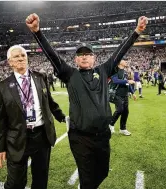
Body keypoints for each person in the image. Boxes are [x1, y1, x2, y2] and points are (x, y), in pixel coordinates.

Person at [26, 13, 148, 189]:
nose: (84, 56)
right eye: (80, 54)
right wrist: (37, 32)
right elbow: (52, 56)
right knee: (87, 177)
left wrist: (137, 31)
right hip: (80, 137)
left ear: (94, 58)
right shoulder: (70, 74)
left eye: (88, 54)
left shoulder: (104, 70)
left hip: (102, 135)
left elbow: (120, 52)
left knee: (102, 171)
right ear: (75, 59)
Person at [0, 45, 66, 189]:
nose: (20, 58)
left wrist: (63, 118)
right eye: (16, 56)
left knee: (41, 179)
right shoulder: (2, 87)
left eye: (23, 55)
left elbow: (49, 103)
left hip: (41, 136)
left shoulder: (40, 77)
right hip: (17, 138)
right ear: (10, 62)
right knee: (15, 183)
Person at [108, 59, 136, 136]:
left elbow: (127, 83)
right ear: (119, 62)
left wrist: (133, 92)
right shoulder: (115, 70)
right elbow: (115, 80)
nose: (126, 61)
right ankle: (110, 124)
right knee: (120, 109)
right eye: (124, 60)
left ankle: (123, 129)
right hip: (117, 94)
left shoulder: (125, 72)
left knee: (126, 112)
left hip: (125, 94)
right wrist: (127, 81)